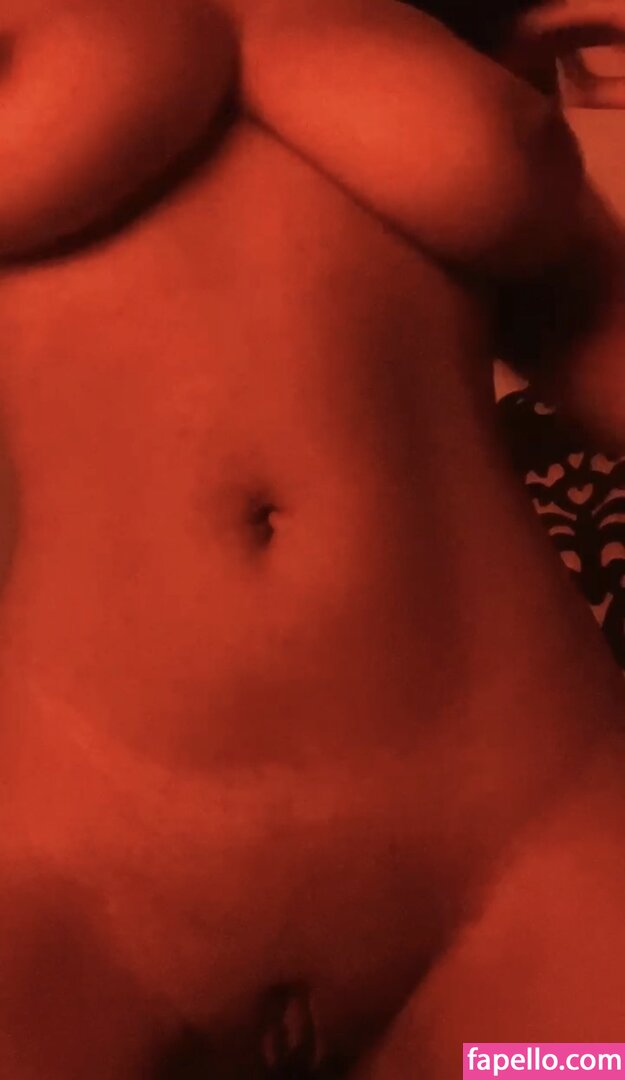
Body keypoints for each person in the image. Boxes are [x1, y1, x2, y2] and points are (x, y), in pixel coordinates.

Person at [0, 2, 624, 1078]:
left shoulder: (446, 26)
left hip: (512, 860)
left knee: (574, 1067)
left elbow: (593, 334)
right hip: (79, 882)